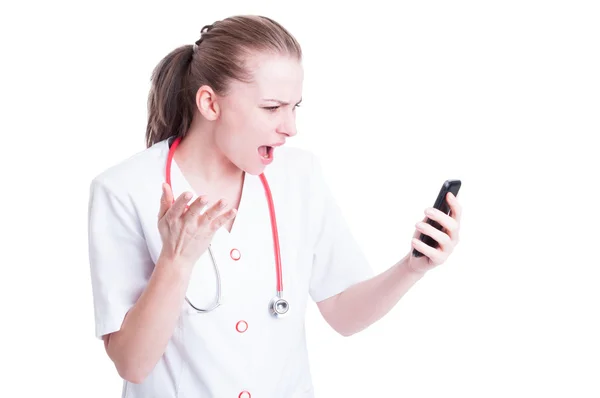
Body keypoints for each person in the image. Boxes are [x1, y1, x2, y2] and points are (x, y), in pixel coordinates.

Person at [87, 14, 462, 398]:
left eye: (295, 106)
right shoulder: (125, 190)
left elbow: (343, 313)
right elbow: (132, 364)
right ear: (209, 103)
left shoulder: (299, 176)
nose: (290, 127)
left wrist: (412, 268)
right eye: (272, 108)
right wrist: (176, 261)